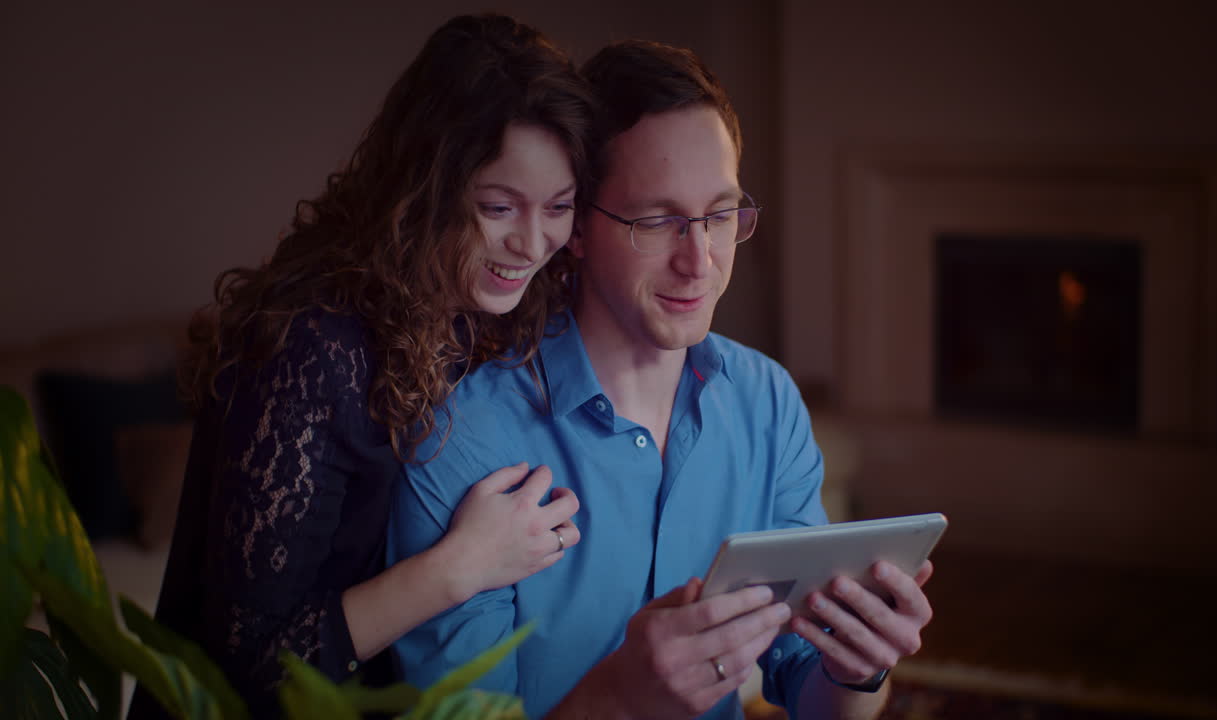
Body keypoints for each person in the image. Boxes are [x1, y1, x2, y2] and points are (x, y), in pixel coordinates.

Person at [389, 39, 936, 720]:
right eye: (657, 221)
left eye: (720, 213)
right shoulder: (464, 440)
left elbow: (817, 697)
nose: (700, 261)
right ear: (577, 227)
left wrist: (859, 667)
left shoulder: (767, 402)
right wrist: (619, 697)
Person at [128, 14, 596, 718]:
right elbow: (245, 665)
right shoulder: (315, 346)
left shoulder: (490, 307)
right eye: (498, 206)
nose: (532, 243)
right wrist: (461, 566)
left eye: (558, 208)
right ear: (427, 186)